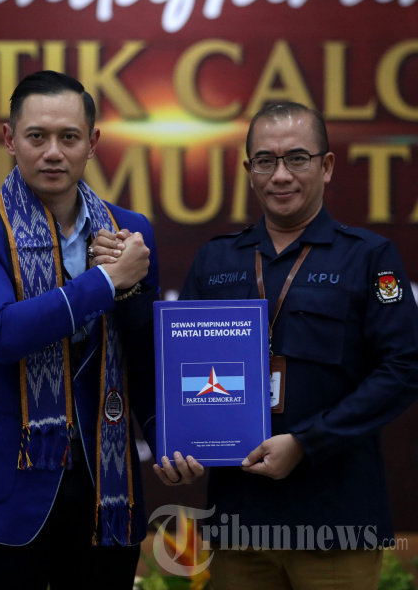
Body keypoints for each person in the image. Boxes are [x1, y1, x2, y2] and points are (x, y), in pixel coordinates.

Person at [152, 102, 418, 590]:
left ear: (326, 166)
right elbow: (177, 372)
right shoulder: (215, 260)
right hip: (239, 521)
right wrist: (177, 448)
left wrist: (306, 442)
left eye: (297, 158)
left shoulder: (368, 257)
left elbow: (403, 368)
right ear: (248, 168)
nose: (280, 175)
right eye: (265, 160)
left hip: (336, 521)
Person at [0, 70, 160, 590]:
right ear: (10, 139)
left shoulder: (129, 231)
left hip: (106, 491)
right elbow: (2, 333)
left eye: (69, 137)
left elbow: (144, 352)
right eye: (37, 136)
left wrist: (169, 438)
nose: (53, 152)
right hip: (4, 493)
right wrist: (107, 281)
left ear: (92, 143)